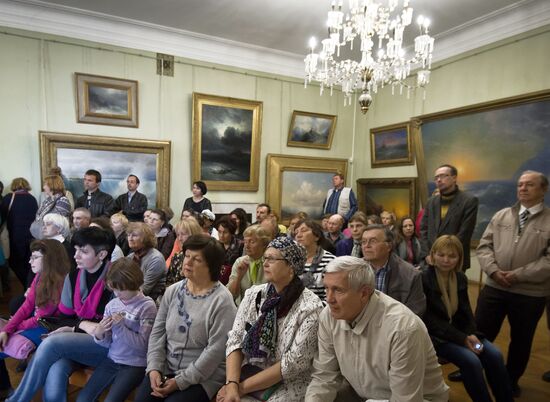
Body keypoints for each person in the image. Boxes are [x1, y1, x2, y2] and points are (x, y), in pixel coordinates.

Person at [305, 256, 448, 402]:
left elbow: (406, 399)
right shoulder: (328, 315)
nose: (328, 299)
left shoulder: (402, 328)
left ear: (364, 293)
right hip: (364, 393)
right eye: (326, 288)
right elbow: (324, 376)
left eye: (338, 290)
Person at [7, 227, 116, 402]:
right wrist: (82, 325)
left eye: (83, 251)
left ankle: (17, 400)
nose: (76, 256)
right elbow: (63, 318)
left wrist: (75, 326)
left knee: (52, 343)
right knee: (56, 368)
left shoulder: (115, 277)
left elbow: (112, 328)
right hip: (80, 339)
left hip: (109, 346)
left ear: (102, 255)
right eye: (76, 250)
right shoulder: (72, 277)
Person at [219, 237, 324, 402]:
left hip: (288, 383)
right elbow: (236, 339)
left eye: (272, 259)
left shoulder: (310, 307)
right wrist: (231, 382)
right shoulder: (254, 294)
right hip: (250, 373)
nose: (265, 263)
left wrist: (240, 388)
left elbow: (292, 364)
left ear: (291, 267)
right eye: (265, 258)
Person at [475, 170, 550, 397]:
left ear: (543, 190)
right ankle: (473, 367)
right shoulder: (502, 216)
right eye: (520, 184)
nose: (523, 188)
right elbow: (484, 246)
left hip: (530, 293)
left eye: (529, 185)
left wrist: (517, 275)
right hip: (495, 287)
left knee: (521, 340)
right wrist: (494, 271)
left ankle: (511, 378)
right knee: (478, 333)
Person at [135, 235, 237, 402]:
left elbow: (215, 352)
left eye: (196, 259)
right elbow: (158, 333)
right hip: (166, 368)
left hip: (204, 376)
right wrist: (154, 368)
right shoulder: (173, 291)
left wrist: (179, 382)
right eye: (187, 256)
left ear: (211, 266)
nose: (187, 262)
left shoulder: (222, 301)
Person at [422, 235, 513, 402]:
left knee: (494, 353)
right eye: (441, 255)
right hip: (436, 338)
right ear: (433, 255)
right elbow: (431, 322)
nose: (446, 260)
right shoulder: (423, 278)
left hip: (461, 334)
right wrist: (463, 339)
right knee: (471, 361)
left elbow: (466, 313)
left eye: (452, 256)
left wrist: (472, 335)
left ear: (459, 259)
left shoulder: (460, 278)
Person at [74, 258, 157, 402]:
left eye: (121, 289)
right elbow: (107, 343)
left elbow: (143, 345)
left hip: (135, 365)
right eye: (114, 289)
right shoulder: (112, 305)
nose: (117, 294)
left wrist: (119, 327)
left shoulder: (147, 306)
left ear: (134, 284)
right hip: (112, 359)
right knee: (83, 398)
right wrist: (100, 333)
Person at [0, 239, 70, 398]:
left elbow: (42, 318)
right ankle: (3, 388)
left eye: (35, 257)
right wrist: (8, 328)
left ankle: (6, 390)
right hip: (35, 324)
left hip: (48, 329)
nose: (30, 260)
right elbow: (26, 307)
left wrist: (15, 328)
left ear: (49, 259)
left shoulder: (59, 282)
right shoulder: (40, 276)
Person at [420, 164, 478, 270]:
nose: (439, 180)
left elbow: (465, 233)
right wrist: (427, 254)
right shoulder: (431, 201)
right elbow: (423, 229)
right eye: (436, 177)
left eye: (443, 176)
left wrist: (444, 257)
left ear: (454, 178)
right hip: (431, 260)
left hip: (453, 261)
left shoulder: (469, 201)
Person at [361, 224, 426, 316]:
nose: (366, 246)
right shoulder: (354, 269)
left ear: (389, 246)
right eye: (363, 242)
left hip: (395, 326)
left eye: (373, 241)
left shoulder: (410, 275)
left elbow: (415, 312)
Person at [0, 178, 38, 287]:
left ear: (14, 186)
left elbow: (2, 217)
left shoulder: (8, 198)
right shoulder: (32, 199)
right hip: (31, 235)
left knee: (14, 262)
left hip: (15, 235)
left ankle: (27, 286)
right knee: (28, 262)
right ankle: (30, 286)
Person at [227, 225, 271, 304]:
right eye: (245, 242)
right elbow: (230, 295)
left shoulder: (271, 262)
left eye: (252, 242)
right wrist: (239, 277)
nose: (246, 246)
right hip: (242, 310)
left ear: (264, 244)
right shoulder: (240, 262)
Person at [294, 219, 335, 301]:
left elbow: (330, 297)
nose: (298, 235)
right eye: (296, 233)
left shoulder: (330, 261)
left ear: (317, 236)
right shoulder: (292, 260)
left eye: (303, 231)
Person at [126, 222, 166, 301]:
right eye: (128, 235)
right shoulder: (131, 257)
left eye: (134, 235)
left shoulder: (156, 259)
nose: (130, 238)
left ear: (145, 238)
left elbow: (144, 290)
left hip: (150, 301)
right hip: (130, 297)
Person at [165, 218, 203, 288]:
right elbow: (169, 281)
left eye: (183, 234)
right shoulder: (177, 256)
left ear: (193, 234)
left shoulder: (202, 256)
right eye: (178, 235)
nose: (179, 238)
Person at [216, 216, 244, 285]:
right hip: (218, 279)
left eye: (225, 232)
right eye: (219, 232)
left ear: (231, 232)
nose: (221, 235)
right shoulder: (215, 245)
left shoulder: (240, 245)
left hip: (235, 279)